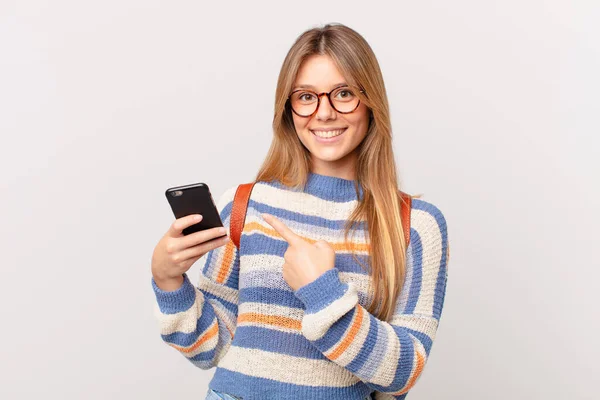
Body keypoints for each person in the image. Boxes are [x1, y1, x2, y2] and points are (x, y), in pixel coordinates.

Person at [150, 23, 450, 400]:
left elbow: (402, 373)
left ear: (371, 100)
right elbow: (212, 347)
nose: (323, 113)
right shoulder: (244, 205)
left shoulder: (414, 225)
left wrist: (323, 291)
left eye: (343, 93)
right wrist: (167, 281)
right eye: (306, 97)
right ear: (288, 108)